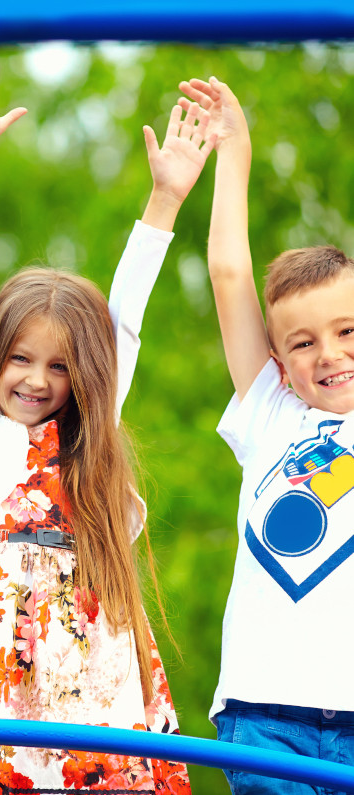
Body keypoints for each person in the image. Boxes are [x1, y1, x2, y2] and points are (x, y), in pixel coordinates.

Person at [0, 53, 212, 794]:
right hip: (10, 662)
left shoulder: (84, 438)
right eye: (21, 358)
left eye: (58, 367)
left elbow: (124, 319)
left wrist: (165, 201)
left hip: (103, 656)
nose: (36, 380)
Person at [176, 76, 354, 794]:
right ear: (278, 361)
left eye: (347, 331)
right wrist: (235, 150)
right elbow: (227, 272)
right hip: (263, 711)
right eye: (304, 343)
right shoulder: (273, 411)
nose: (329, 355)